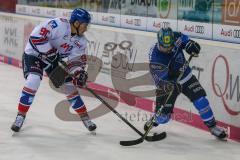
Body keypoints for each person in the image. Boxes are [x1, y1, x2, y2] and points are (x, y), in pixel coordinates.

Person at [11, 8, 97, 132]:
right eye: (85, 25)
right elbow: (35, 36)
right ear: (77, 23)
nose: (86, 28)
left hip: (52, 60)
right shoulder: (59, 24)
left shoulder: (81, 41)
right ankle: (20, 115)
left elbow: (75, 62)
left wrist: (79, 73)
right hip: (34, 54)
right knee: (33, 80)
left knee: (69, 86)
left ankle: (85, 117)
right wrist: (50, 52)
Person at [145, 27, 227, 140]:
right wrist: (170, 81)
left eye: (170, 46)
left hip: (186, 78)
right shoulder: (155, 56)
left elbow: (186, 41)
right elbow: (160, 79)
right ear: (159, 42)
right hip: (167, 85)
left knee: (201, 100)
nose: (168, 49)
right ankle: (156, 119)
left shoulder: (175, 36)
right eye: (165, 47)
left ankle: (213, 127)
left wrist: (190, 45)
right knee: (164, 117)